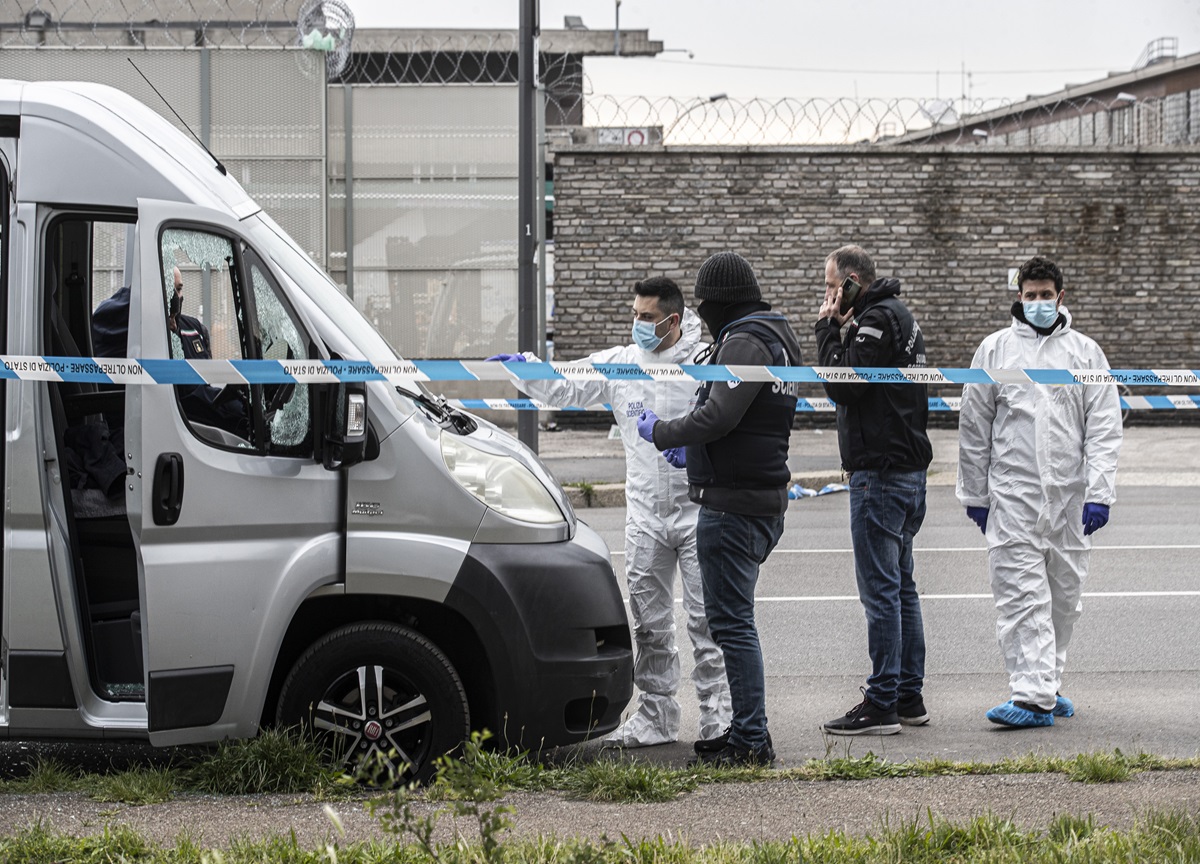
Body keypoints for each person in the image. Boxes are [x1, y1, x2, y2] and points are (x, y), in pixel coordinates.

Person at [486, 277, 733, 748]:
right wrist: (528, 370)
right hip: (644, 513)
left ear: (673, 320)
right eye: (634, 314)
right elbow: (565, 389)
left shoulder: (705, 362)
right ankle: (658, 717)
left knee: (709, 621)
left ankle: (718, 719)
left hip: (699, 510)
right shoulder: (623, 364)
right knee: (650, 622)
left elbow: (726, 417)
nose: (636, 323)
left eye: (645, 317)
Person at [636, 251, 801, 767]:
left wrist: (663, 432)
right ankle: (743, 731)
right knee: (732, 622)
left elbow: (718, 416)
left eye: (705, 303)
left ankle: (751, 739)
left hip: (734, 504)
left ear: (717, 302)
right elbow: (750, 419)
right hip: (753, 494)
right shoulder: (775, 335)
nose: (702, 313)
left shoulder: (747, 340)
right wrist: (696, 452)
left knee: (730, 624)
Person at [957, 255, 1122, 728]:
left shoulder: (1086, 353)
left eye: (1045, 295)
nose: (1038, 303)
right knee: (1020, 594)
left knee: (1063, 597)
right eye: (1030, 296)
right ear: (1018, 298)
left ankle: (1048, 681)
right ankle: (1031, 696)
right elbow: (975, 426)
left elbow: (1105, 426)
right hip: (1014, 494)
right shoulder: (995, 351)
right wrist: (975, 494)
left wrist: (1099, 492)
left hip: (1070, 497)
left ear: (1061, 297)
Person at [815, 244, 932, 736]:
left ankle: (882, 701)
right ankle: (907, 694)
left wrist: (826, 329)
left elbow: (843, 384)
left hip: (881, 475)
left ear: (852, 281)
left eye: (829, 286)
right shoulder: (896, 314)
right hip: (906, 471)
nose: (825, 296)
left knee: (881, 589)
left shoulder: (876, 320)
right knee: (901, 585)